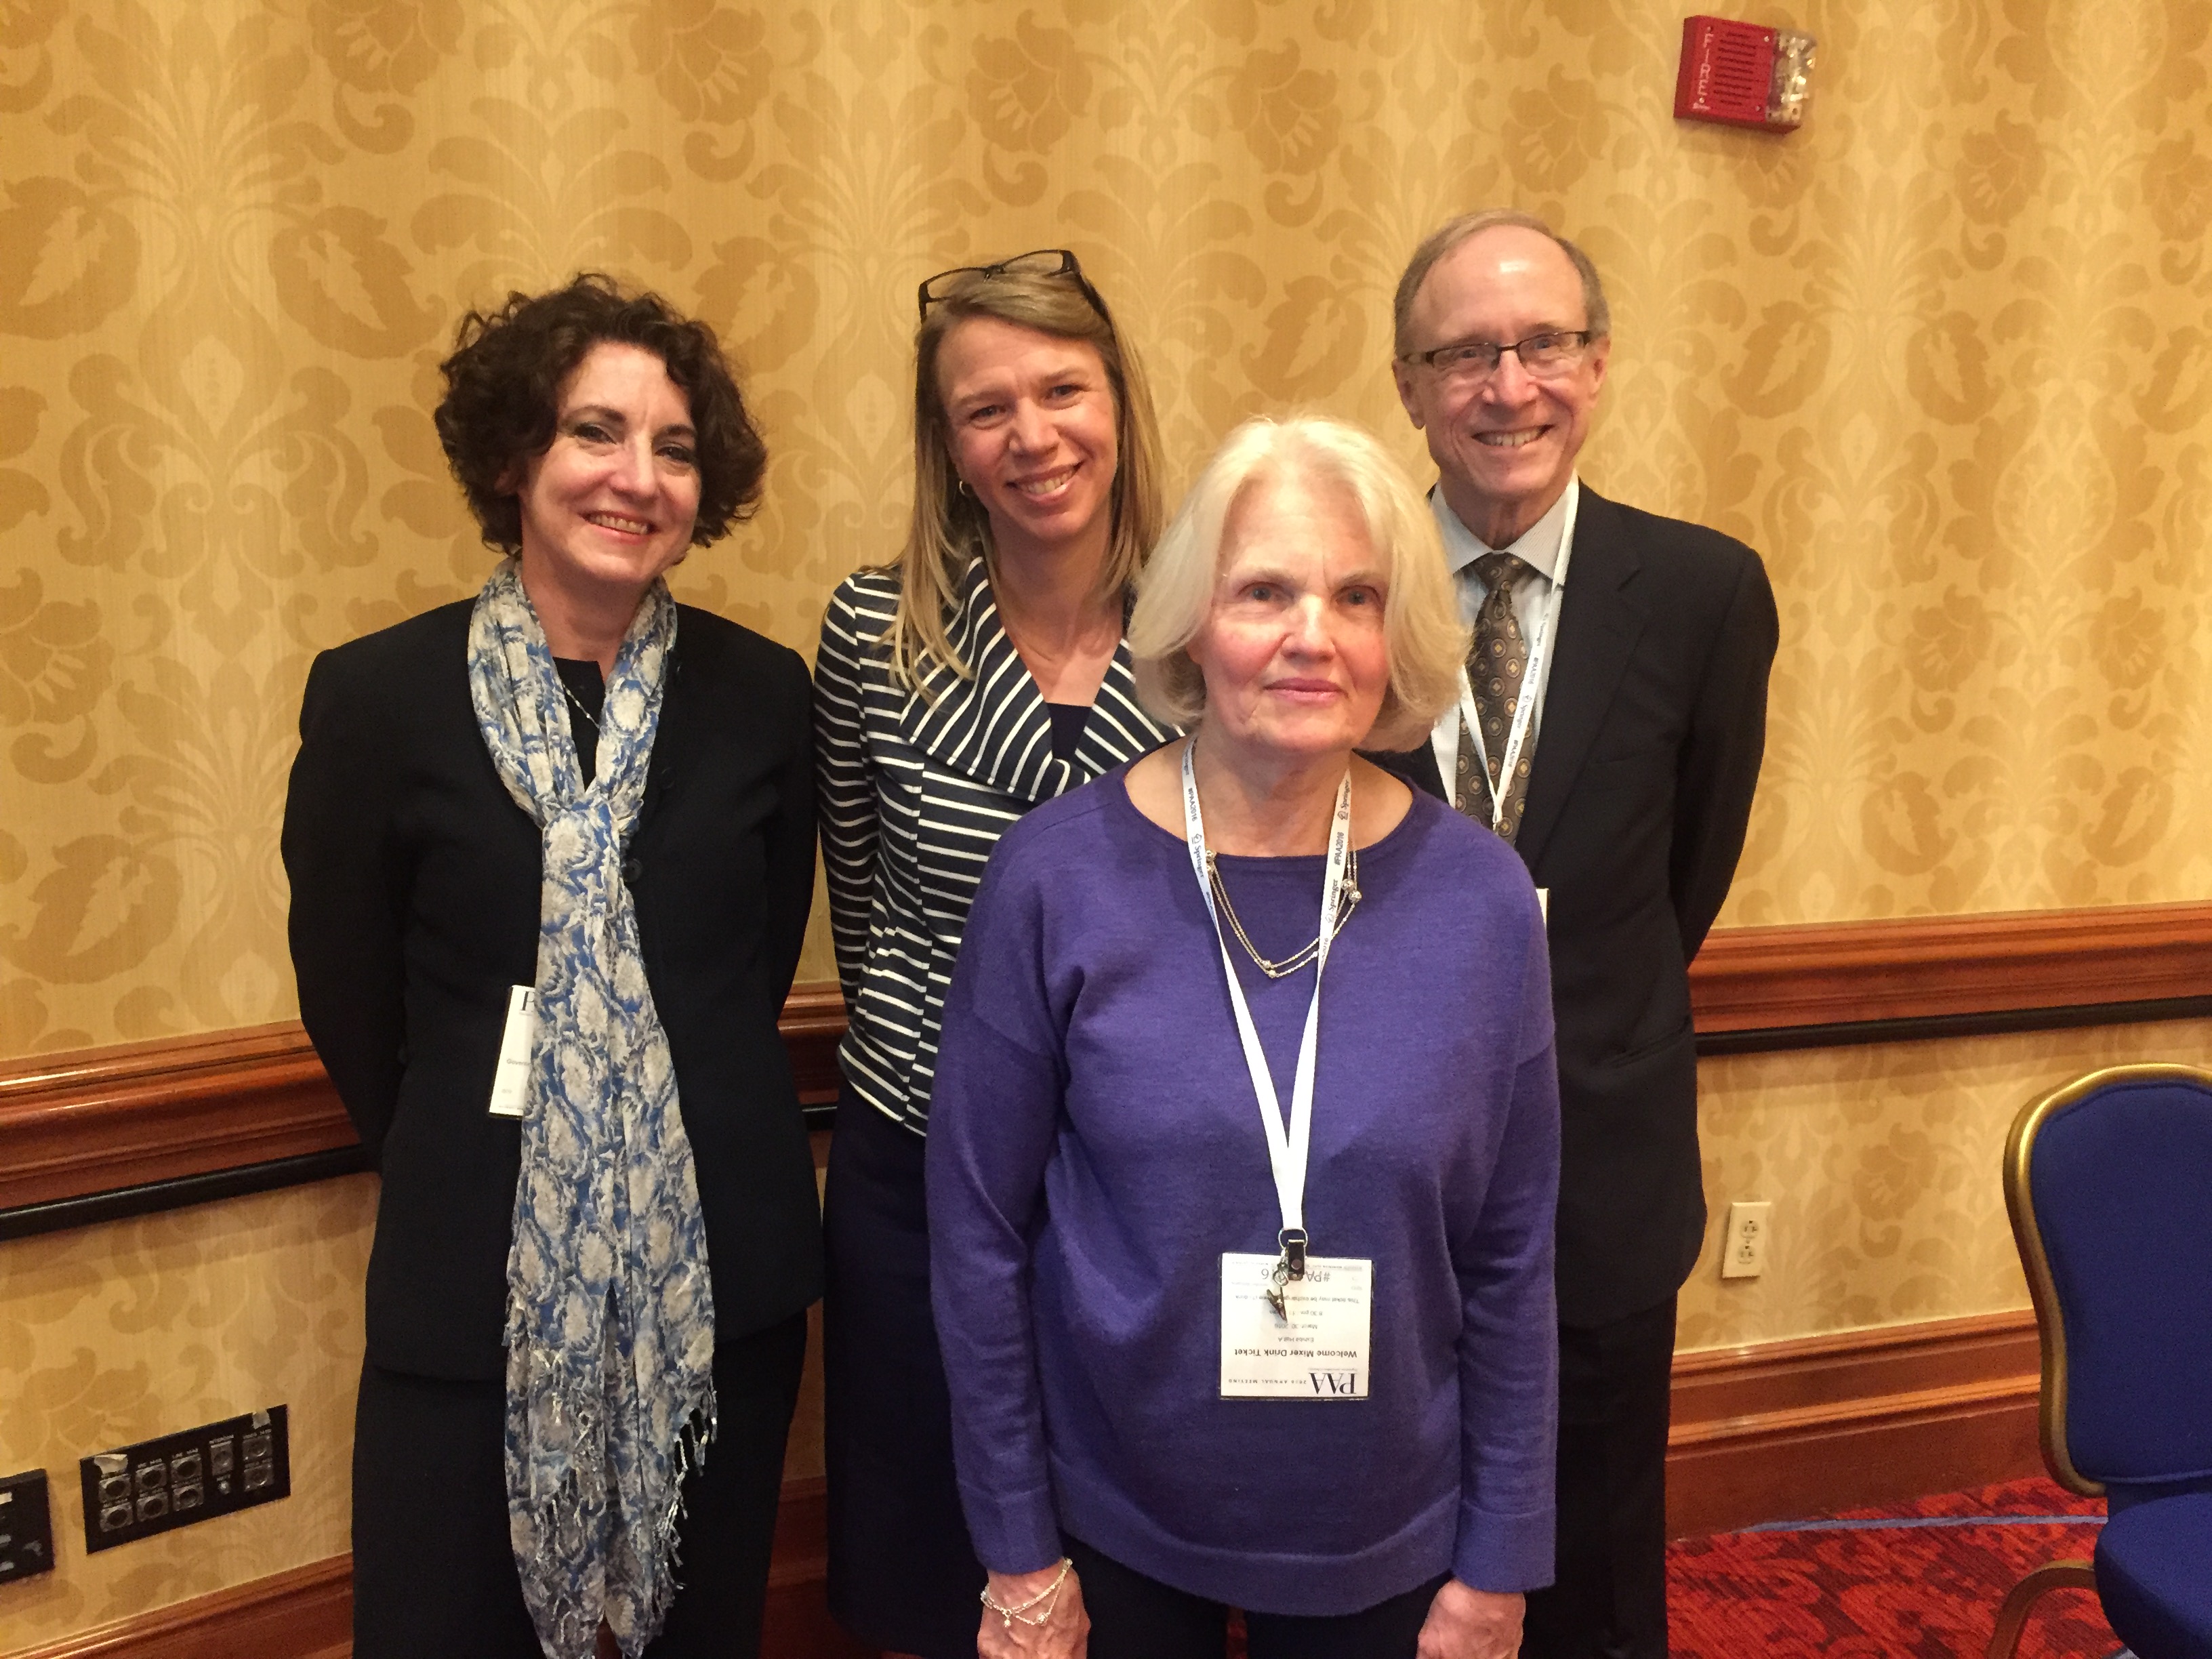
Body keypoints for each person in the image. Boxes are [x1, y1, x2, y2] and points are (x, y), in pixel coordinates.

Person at [926, 414, 1562, 1659]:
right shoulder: (1054, 879)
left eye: (1357, 595)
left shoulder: (1483, 898)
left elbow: (1513, 1256)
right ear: (1190, 624)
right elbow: (979, 1237)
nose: (1312, 636)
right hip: (1110, 1517)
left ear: (1400, 632)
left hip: (1390, 1525)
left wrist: (1501, 1558)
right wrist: (1016, 1550)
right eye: (1264, 590)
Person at [283, 274, 820, 1659]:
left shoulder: (763, 700)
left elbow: (743, 973)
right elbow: (351, 1000)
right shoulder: (377, 698)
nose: (638, 478)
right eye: (597, 433)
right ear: (516, 458)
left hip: (717, 1271)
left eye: (677, 447)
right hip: (474, 1271)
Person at [1380, 210, 1780, 1659]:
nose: (1508, 386)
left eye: (1543, 344)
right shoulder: (1343, 598)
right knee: (1394, 1538)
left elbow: (1688, 869)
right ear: (1410, 386)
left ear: (1598, 365)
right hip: (1378, 1156)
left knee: (1597, 1545)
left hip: (1603, 1151)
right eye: (1465, 354)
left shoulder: (1701, 592)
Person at [812, 248, 1179, 1658]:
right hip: (922, 1159)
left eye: (1062, 390)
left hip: (1143, 1180)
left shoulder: (1213, 628)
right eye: (985, 409)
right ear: (948, 448)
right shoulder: (872, 631)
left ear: (1120, 405)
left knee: (1124, 1557)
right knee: (925, 1559)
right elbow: (864, 900)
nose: (1032, 436)